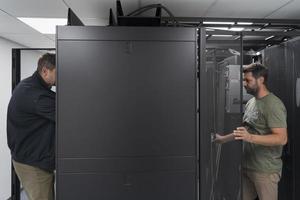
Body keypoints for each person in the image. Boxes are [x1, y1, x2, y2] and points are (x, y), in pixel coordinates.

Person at [215, 63, 287, 200]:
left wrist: (250, 138)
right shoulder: (251, 102)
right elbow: (245, 131)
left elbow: (282, 138)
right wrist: (222, 139)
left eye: (248, 80)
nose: (244, 84)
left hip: (265, 171)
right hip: (248, 168)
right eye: (243, 80)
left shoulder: (273, 105)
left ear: (261, 80)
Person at [7, 53, 56, 200]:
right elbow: (68, 116)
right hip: (32, 164)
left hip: (28, 157)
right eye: (59, 72)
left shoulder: (31, 85)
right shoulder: (35, 94)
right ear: (45, 71)